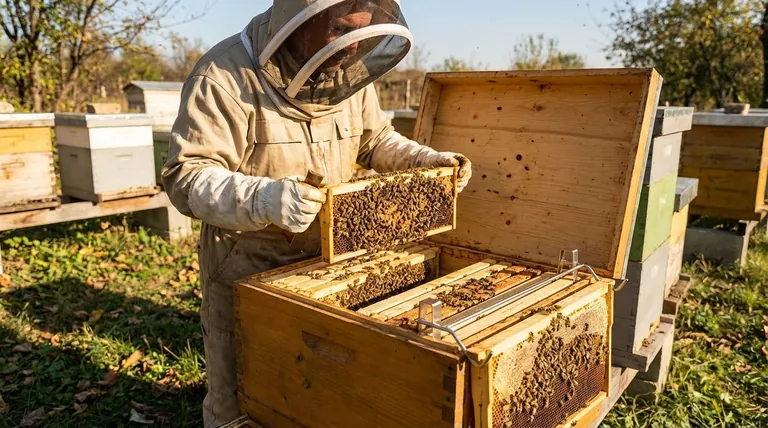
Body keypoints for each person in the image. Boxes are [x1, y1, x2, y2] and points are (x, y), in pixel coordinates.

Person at [161, 0, 472, 426]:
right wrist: (263, 199)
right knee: (243, 399)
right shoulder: (224, 76)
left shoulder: (351, 72)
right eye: (340, 31)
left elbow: (375, 140)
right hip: (248, 266)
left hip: (329, 266)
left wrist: (423, 161)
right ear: (296, 22)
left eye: (361, 34)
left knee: (319, 392)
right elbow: (186, 177)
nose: (350, 48)